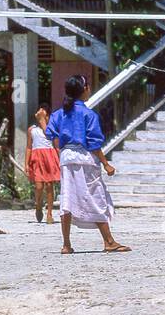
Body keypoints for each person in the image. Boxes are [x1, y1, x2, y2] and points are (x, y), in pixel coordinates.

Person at [46, 76, 128, 254]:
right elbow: (94, 143)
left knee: (67, 199)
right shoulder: (88, 114)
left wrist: (61, 151)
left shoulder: (59, 114)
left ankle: (66, 244)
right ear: (84, 89)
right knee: (96, 196)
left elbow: (52, 134)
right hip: (84, 158)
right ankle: (109, 241)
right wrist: (106, 164)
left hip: (66, 158)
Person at [26, 106, 60, 224]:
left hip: (49, 157)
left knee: (49, 185)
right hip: (37, 157)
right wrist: (26, 163)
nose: (41, 117)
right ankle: (38, 204)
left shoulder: (51, 129)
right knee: (39, 186)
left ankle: (49, 213)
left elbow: (51, 139)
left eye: (44, 115)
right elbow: (29, 147)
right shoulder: (32, 130)